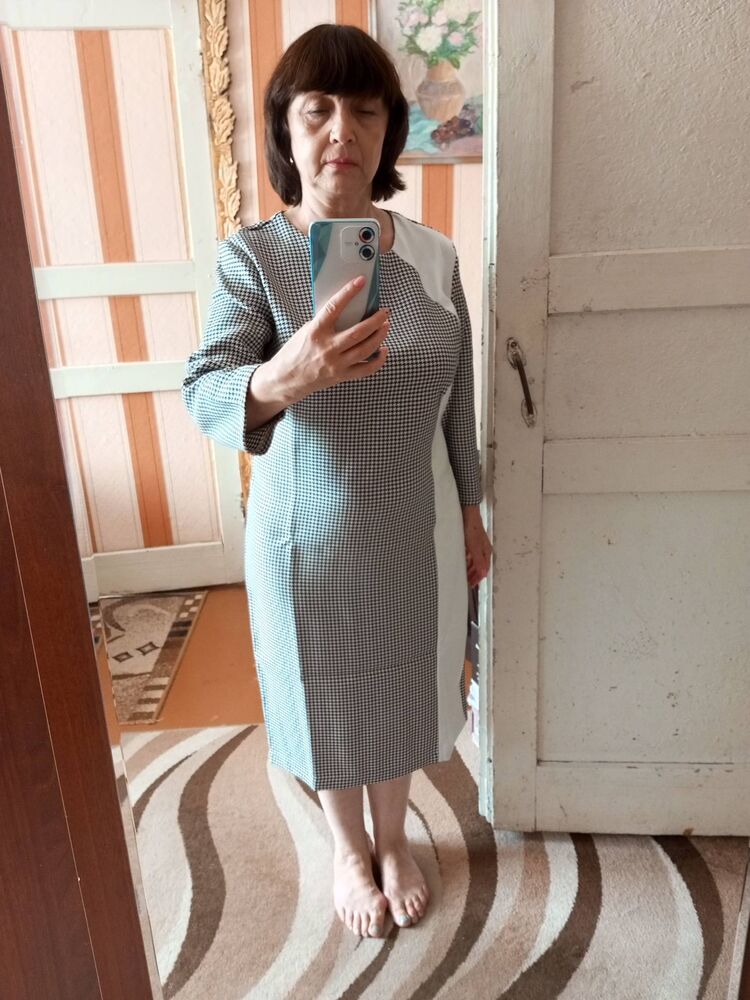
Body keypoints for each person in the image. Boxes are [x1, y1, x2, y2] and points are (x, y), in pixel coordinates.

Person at [181, 23, 492, 941]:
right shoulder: (252, 260)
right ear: (287, 126)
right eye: (317, 109)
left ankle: (394, 839)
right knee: (324, 694)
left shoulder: (434, 258)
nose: (341, 130)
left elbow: (459, 399)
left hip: (417, 527)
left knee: (405, 685)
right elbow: (204, 389)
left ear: (390, 130)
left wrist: (471, 511)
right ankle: (348, 848)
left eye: (364, 110)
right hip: (303, 538)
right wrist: (286, 376)